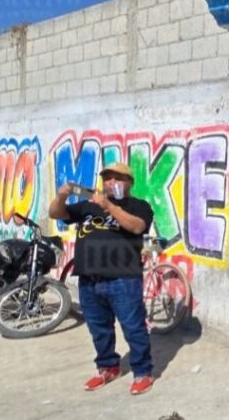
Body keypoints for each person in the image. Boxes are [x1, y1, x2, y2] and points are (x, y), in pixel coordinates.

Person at [48, 162, 156, 395]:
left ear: (129, 183)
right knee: (99, 329)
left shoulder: (139, 206)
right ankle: (107, 367)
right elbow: (56, 213)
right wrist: (61, 197)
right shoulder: (88, 206)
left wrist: (108, 206)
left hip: (123, 279)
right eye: (108, 178)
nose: (112, 182)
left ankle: (142, 372)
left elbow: (137, 227)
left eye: (118, 178)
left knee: (133, 328)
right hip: (89, 280)